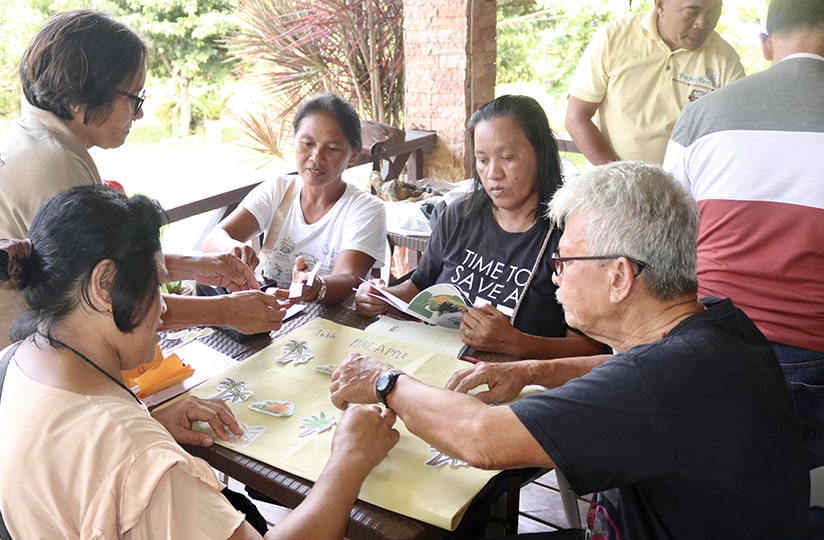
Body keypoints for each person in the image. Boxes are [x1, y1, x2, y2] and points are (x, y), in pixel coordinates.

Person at [0, 10, 283, 537]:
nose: (138, 114)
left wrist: (201, 265)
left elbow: (101, 264)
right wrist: (226, 309)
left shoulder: (38, 141)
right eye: (135, 98)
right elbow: (106, 293)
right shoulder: (53, 164)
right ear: (86, 97)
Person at [331, 161, 809, 538]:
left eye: (565, 260)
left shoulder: (655, 383)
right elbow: (626, 370)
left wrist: (384, 380)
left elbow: (479, 436)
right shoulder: (716, 323)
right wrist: (532, 370)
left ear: (619, 277)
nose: (555, 275)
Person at [0, 184, 398, 538]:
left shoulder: (2, 369)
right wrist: (350, 458)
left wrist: (147, 425)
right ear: (104, 285)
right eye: (155, 285)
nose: (163, 308)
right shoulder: (138, 458)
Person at [663, 0, 824, 471]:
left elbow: (669, 236)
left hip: (704, 339)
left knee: (712, 486)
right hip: (810, 355)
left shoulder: (702, 115)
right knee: (795, 496)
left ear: (766, 43)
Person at [354, 95, 605, 359]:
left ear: (541, 153)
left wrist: (515, 342)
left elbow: (590, 349)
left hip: (515, 385)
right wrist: (380, 298)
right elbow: (419, 286)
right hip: (436, 363)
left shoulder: (570, 238)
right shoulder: (458, 216)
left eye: (507, 158)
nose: (493, 174)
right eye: (482, 160)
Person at [202, 93, 387, 304]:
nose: (316, 157)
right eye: (307, 144)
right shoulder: (278, 190)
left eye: (332, 148)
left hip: (332, 325)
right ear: (294, 142)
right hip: (271, 318)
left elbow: (349, 278)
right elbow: (213, 239)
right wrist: (230, 248)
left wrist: (317, 287)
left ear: (353, 155)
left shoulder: (366, 209)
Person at [564, 0, 745, 166]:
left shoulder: (725, 60)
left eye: (714, 11)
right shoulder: (614, 38)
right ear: (660, 5)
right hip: (610, 185)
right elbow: (576, 118)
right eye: (692, 11)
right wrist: (620, 176)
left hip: (682, 192)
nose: (703, 23)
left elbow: (734, 135)